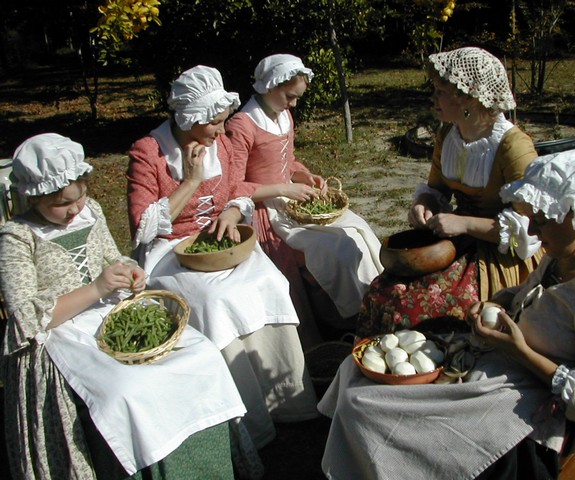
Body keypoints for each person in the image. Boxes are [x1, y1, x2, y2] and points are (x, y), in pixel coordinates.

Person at [318, 148, 575, 479]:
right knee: (354, 372)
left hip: (528, 403)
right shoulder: (563, 257)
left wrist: (521, 351)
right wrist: (497, 303)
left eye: (540, 222)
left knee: (366, 407)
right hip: (498, 363)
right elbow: (525, 293)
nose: (533, 233)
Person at [0, 133, 247, 479]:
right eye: (61, 204)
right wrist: (97, 287)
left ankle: (208, 467)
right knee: (127, 390)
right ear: (34, 196)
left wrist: (129, 271)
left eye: (80, 196)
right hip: (60, 335)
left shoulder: (91, 212)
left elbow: (111, 256)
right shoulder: (17, 237)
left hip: (112, 313)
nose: (74, 209)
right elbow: (24, 316)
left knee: (201, 353)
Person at [127, 65, 319, 451]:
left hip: (219, 238)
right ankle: (247, 419)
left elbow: (237, 192)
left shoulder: (223, 145)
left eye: (221, 121)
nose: (221, 130)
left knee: (269, 281)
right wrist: (192, 181)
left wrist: (232, 212)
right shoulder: (149, 152)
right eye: (213, 123)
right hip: (169, 250)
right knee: (214, 302)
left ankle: (288, 401)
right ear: (190, 119)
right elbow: (143, 228)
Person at [356, 46, 544, 341]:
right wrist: (424, 203)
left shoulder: (512, 146)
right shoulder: (448, 135)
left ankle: (437, 368)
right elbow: (436, 189)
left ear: (468, 97)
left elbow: (530, 227)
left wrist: (465, 223)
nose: (433, 98)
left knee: (418, 307)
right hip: (457, 239)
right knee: (384, 290)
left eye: (441, 91)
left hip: (501, 252)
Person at [226, 53, 383, 345]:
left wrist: (304, 176)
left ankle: (371, 305)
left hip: (291, 201)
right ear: (271, 86)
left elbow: (289, 163)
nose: (294, 104)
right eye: (290, 96)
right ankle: (343, 319)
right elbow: (233, 186)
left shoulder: (283, 114)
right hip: (262, 212)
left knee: (357, 231)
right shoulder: (243, 125)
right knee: (334, 249)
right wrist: (284, 189)